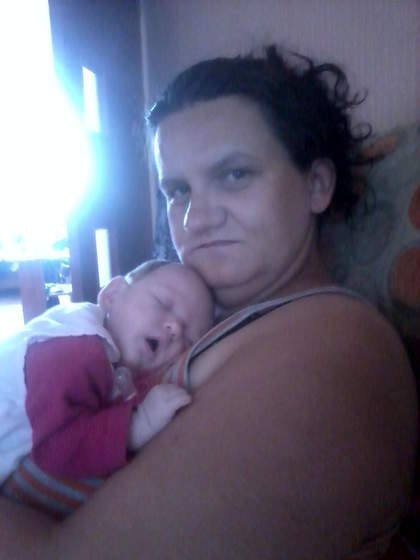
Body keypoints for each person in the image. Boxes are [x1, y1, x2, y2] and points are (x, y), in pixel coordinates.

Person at [0, 46, 418, 559]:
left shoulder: (333, 346)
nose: (194, 219)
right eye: (177, 190)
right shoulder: (185, 318)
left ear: (316, 184)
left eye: (234, 174)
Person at [0, 259, 213, 517]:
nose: (175, 328)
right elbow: (57, 449)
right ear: (112, 295)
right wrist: (136, 426)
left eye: (189, 339)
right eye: (163, 303)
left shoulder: (117, 359)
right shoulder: (75, 347)